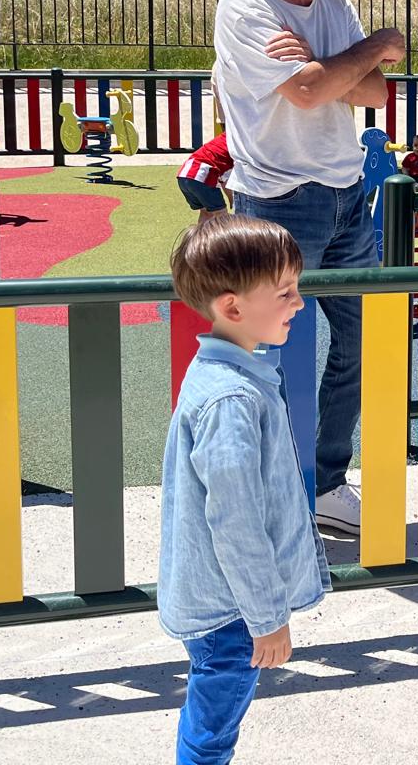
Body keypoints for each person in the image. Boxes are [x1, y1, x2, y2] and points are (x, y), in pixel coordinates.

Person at [214, 0, 407, 538]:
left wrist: (331, 67)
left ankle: (323, 481)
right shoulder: (244, 10)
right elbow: (307, 93)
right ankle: (262, 491)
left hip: (347, 197)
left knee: (363, 341)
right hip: (275, 206)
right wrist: (366, 49)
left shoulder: (330, 5)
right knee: (263, 355)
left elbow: (374, 94)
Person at [160, 214, 329, 765]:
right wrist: (267, 618)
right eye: (285, 293)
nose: (299, 303)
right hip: (231, 611)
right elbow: (234, 520)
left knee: (210, 710)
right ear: (233, 308)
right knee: (214, 728)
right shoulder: (232, 400)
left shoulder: (228, 376)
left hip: (222, 602)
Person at [178, 132, 233, 222]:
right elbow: (225, 180)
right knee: (221, 215)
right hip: (201, 176)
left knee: (206, 213)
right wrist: (232, 200)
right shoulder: (236, 145)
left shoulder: (222, 138)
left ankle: (199, 236)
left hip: (183, 175)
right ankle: (224, 236)